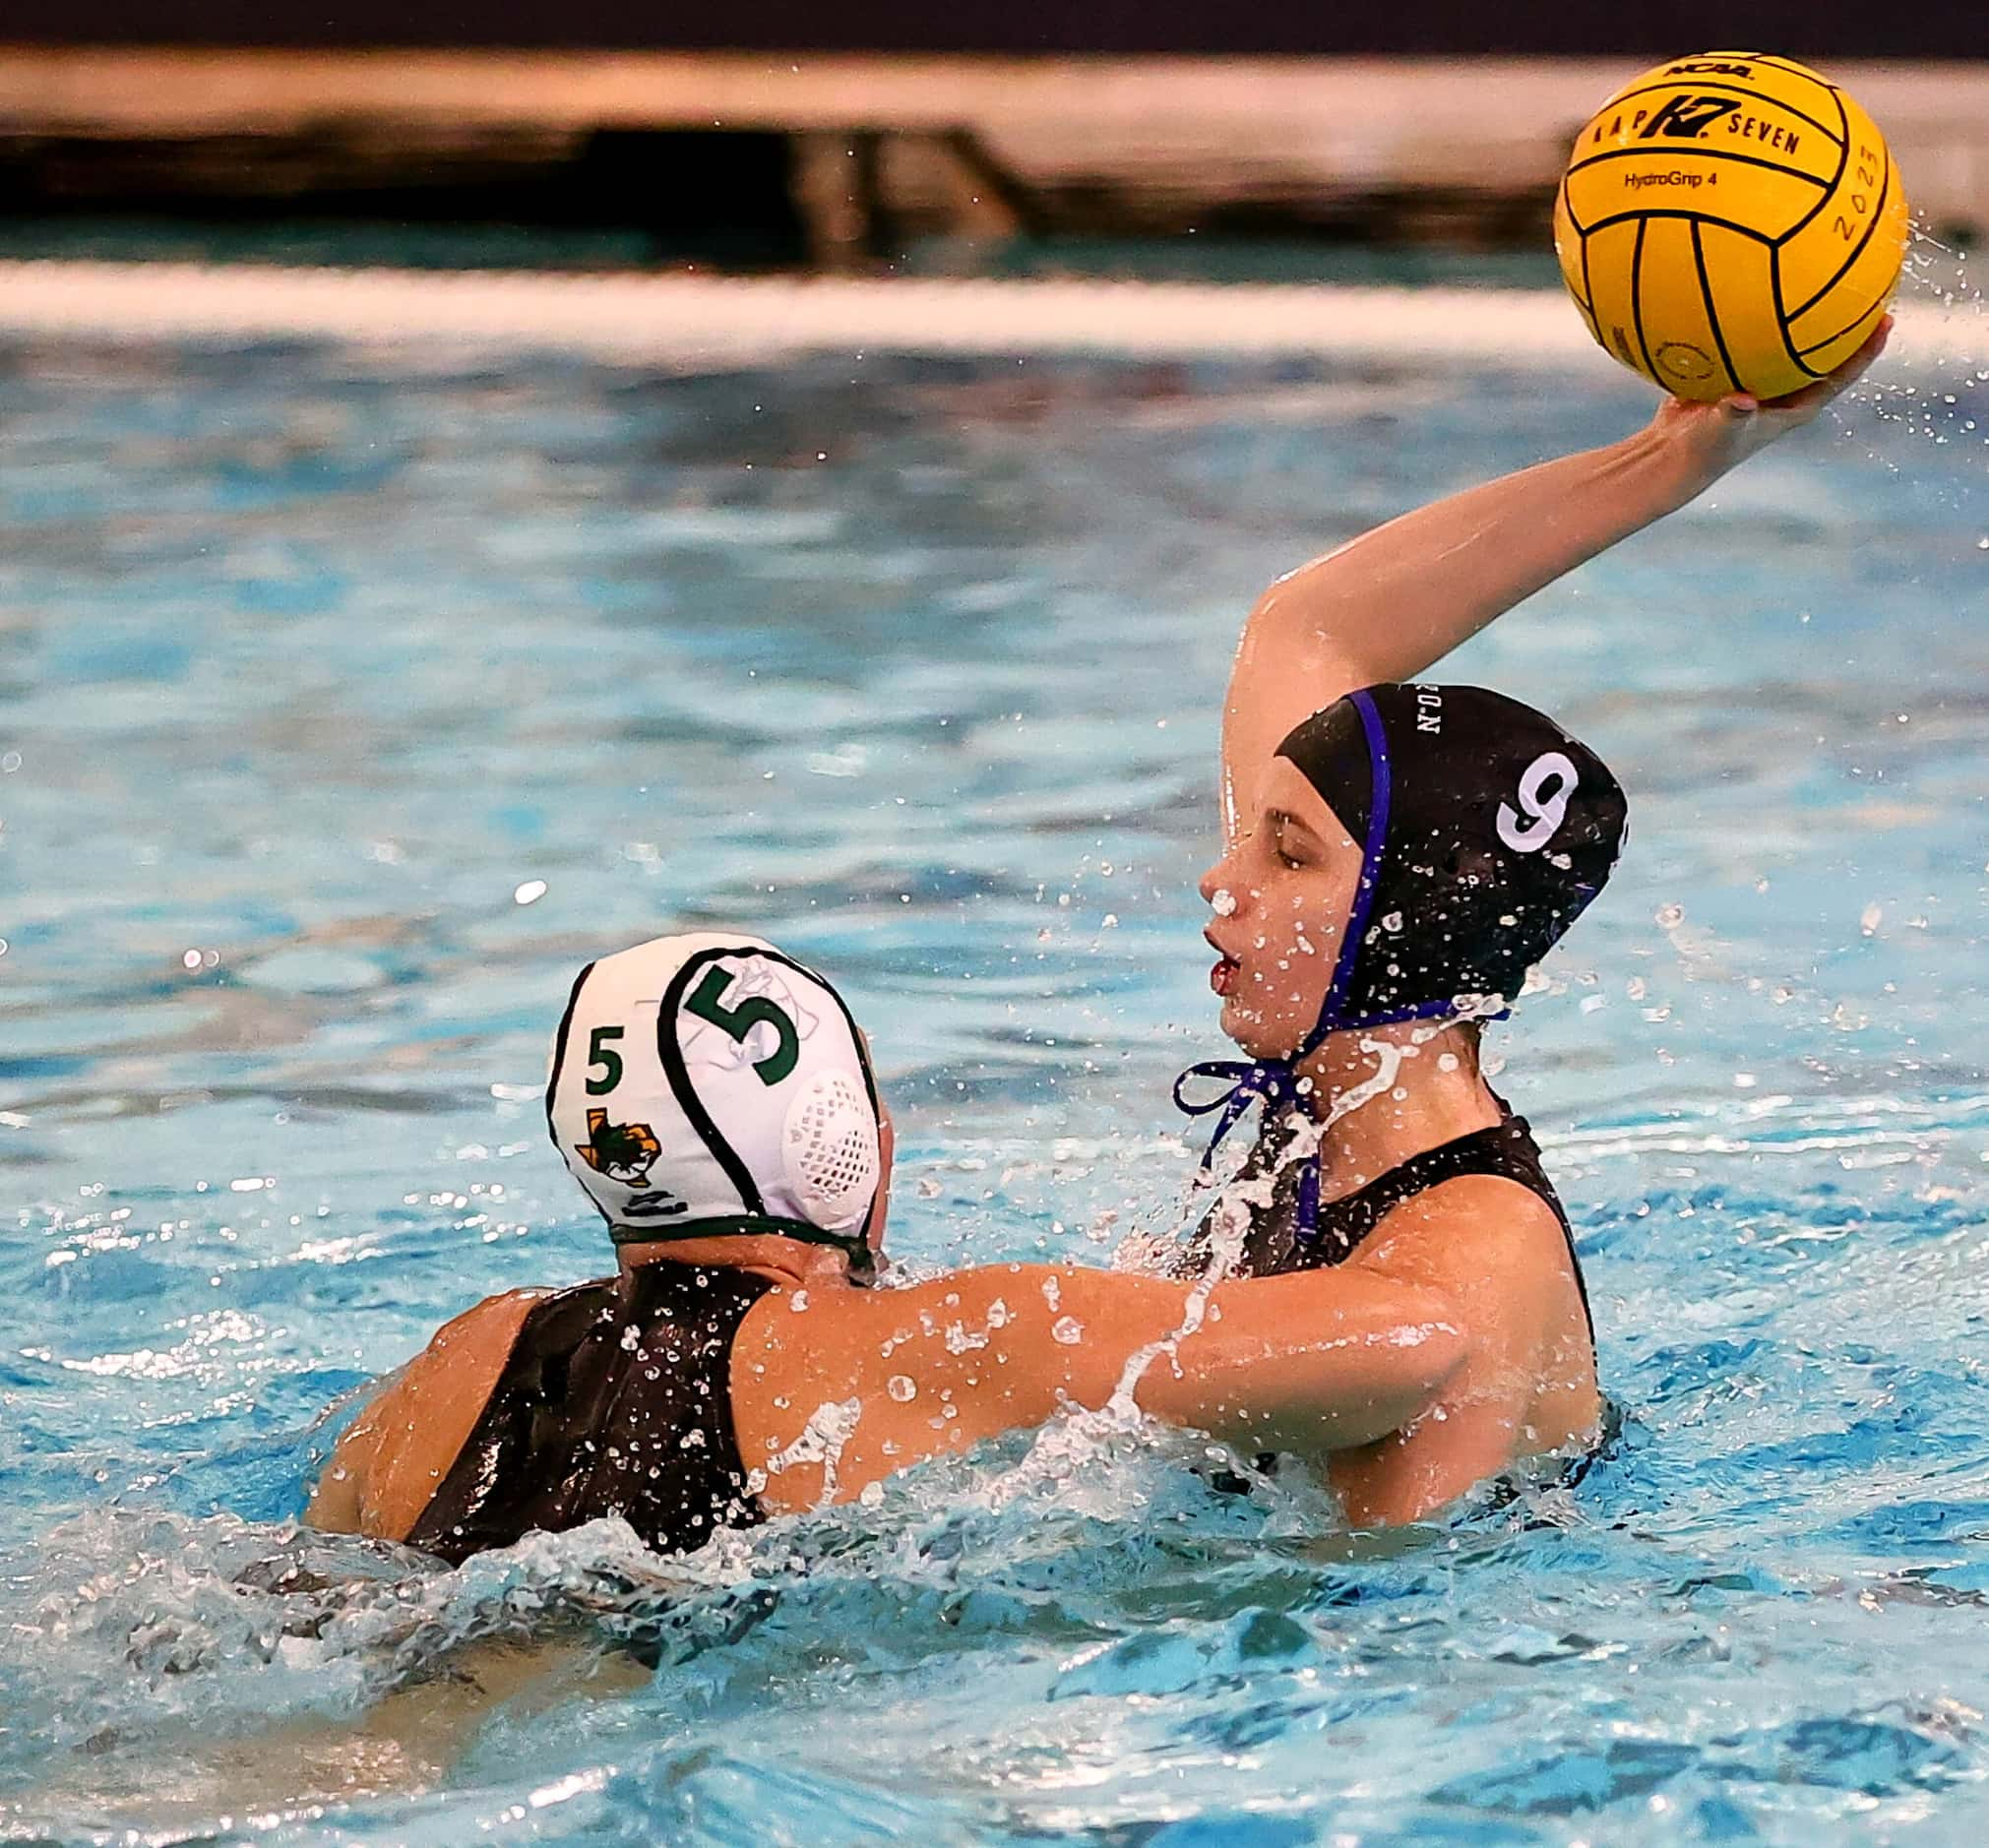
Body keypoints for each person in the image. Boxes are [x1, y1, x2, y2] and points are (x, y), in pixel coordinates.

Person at [306, 323, 1887, 1549]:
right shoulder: (1327, 1100)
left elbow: (1355, 1632)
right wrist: (1668, 464)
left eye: (1282, 852)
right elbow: (1306, 632)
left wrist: (995, 1354)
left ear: (1400, 924)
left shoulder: (1463, 1259)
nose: (1218, 886)